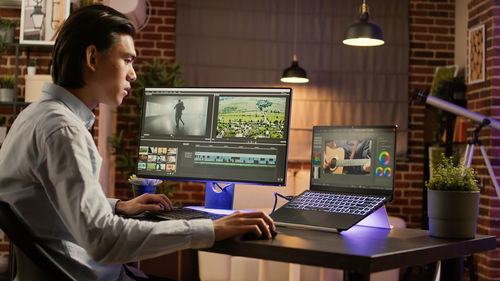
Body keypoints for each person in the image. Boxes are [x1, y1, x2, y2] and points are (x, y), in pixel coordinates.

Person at [0, 5, 274, 280]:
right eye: (127, 60)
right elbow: (104, 240)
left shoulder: (34, 116)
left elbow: (52, 200)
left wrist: (116, 206)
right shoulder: (63, 131)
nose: (133, 75)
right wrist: (212, 230)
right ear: (92, 58)